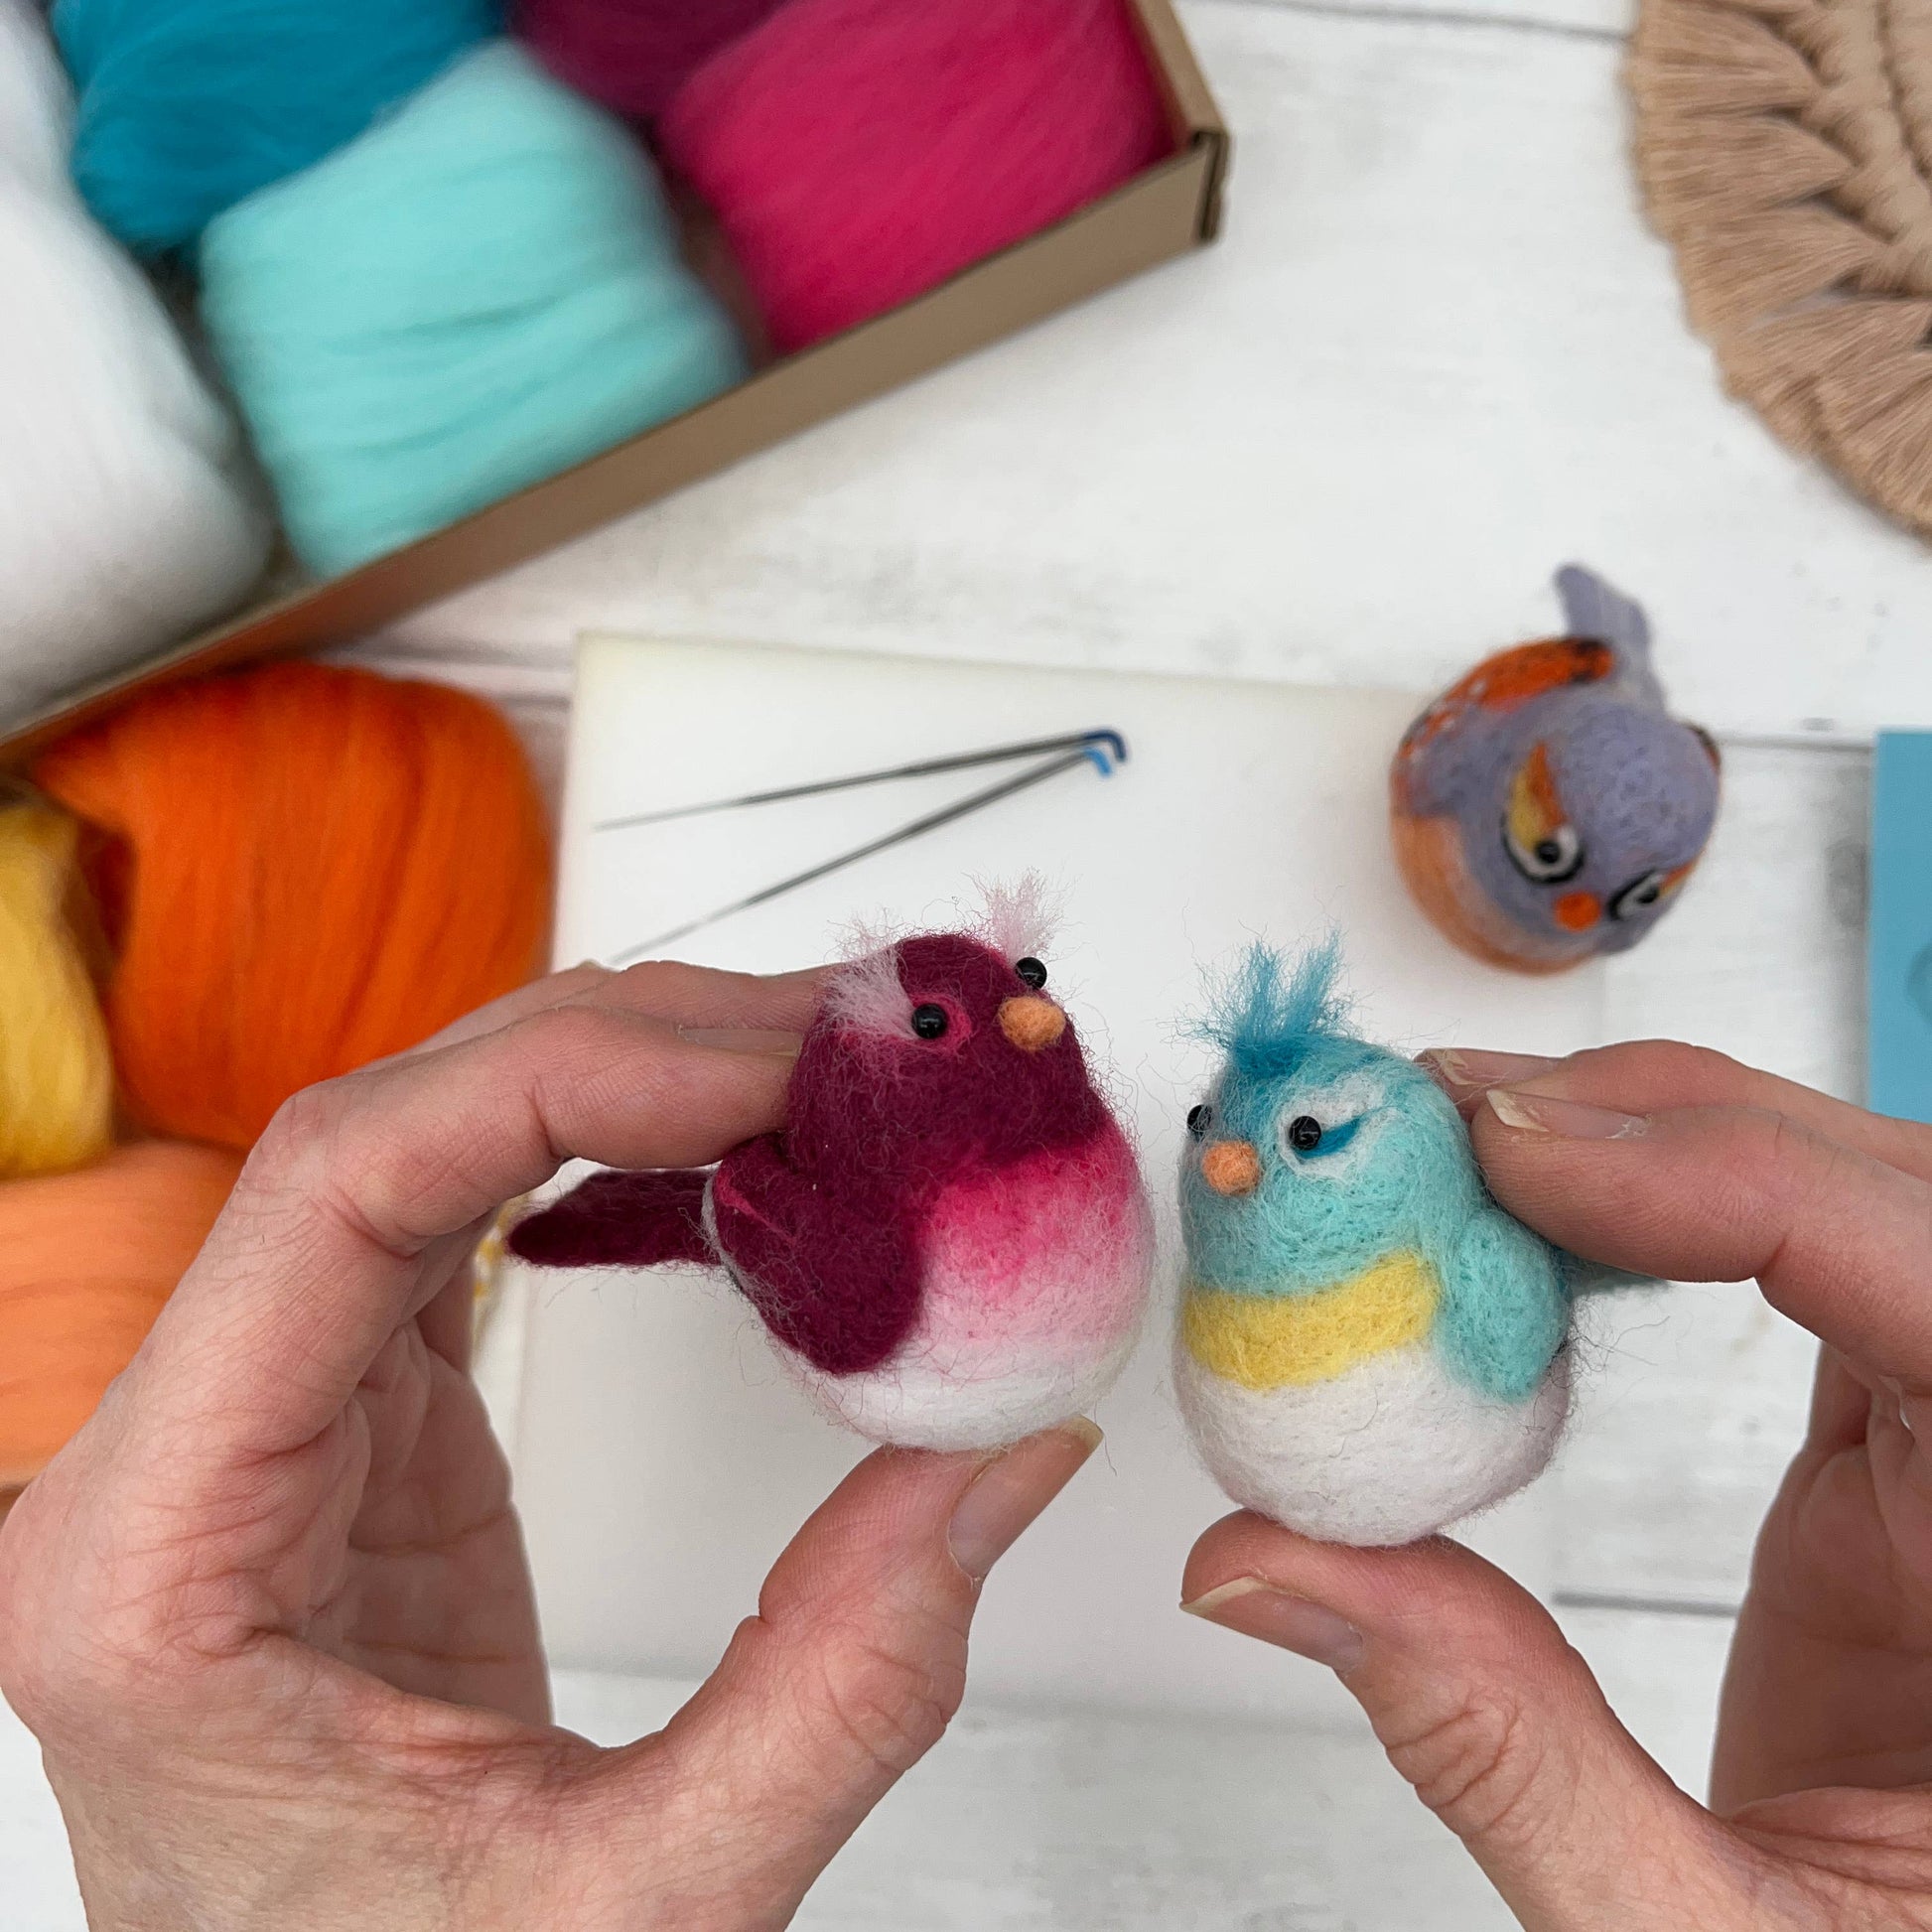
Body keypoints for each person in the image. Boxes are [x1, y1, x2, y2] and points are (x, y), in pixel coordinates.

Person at [0, 965, 1924, 1929]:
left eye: (1285, 1144)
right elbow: (766, 1228)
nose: (1224, 1165)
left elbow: (1513, 1309)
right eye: (1225, 1137)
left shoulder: (1433, 1259)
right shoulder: (886, 1225)